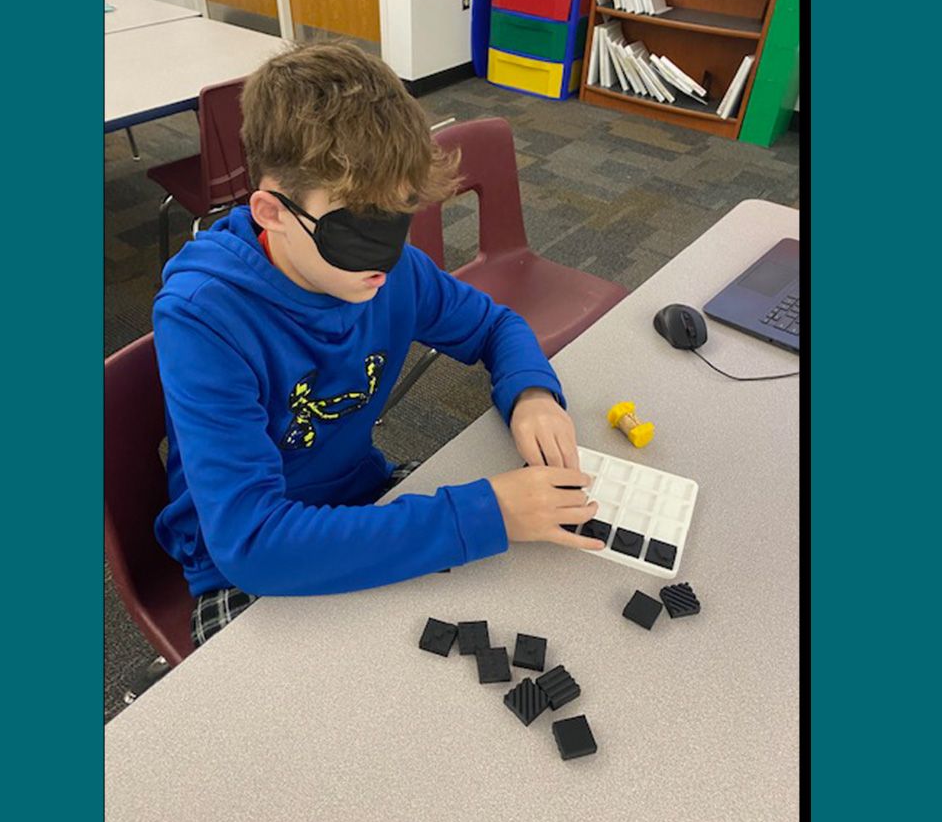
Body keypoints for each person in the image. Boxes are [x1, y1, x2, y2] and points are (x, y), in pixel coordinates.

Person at [151, 41, 604, 645]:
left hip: (359, 494)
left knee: (535, 597)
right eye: (357, 228)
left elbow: (496, 326)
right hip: (241, 564)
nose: (385, 259)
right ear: (271, 212)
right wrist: (485, 513)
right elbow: (252, 544)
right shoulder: (205, 318)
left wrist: (532, 396)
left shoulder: (392, 273)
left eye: (398, 216)